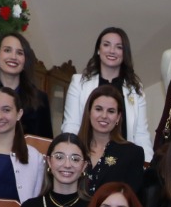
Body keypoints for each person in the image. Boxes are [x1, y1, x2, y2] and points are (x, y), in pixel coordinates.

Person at [63, 26, 153, 160]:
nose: (112, 51)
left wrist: (146, 165)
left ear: (125, 53)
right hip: (87, 157)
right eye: (106, 45)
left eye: (119, 47)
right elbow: (71, 125)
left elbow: (141, 134)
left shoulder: (135, 89)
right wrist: (73, 156)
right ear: (98, 50)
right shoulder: (79, 83)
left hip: (124, 160)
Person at [77, 83, 147, 195]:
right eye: (98, 109)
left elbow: (131, 200)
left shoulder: (132, 153)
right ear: (89, 112)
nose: (104, 116)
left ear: (118, 117)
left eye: (111, 111)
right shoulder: (75, 149)